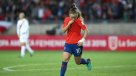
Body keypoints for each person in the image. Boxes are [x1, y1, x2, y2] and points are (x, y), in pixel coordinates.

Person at [60, 3, 92, 76]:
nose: (73, 19)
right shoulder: (67, 19)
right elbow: (63, 31)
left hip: (77, 44)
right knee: (64, 60)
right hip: (68, 44)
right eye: (72, 17)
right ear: (69, 15)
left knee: (77, 62)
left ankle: (87, 61)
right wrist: (69, 24)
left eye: (74, 17)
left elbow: (86, 31)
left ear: (77, 15)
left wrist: (82, 40)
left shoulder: (79, 21)